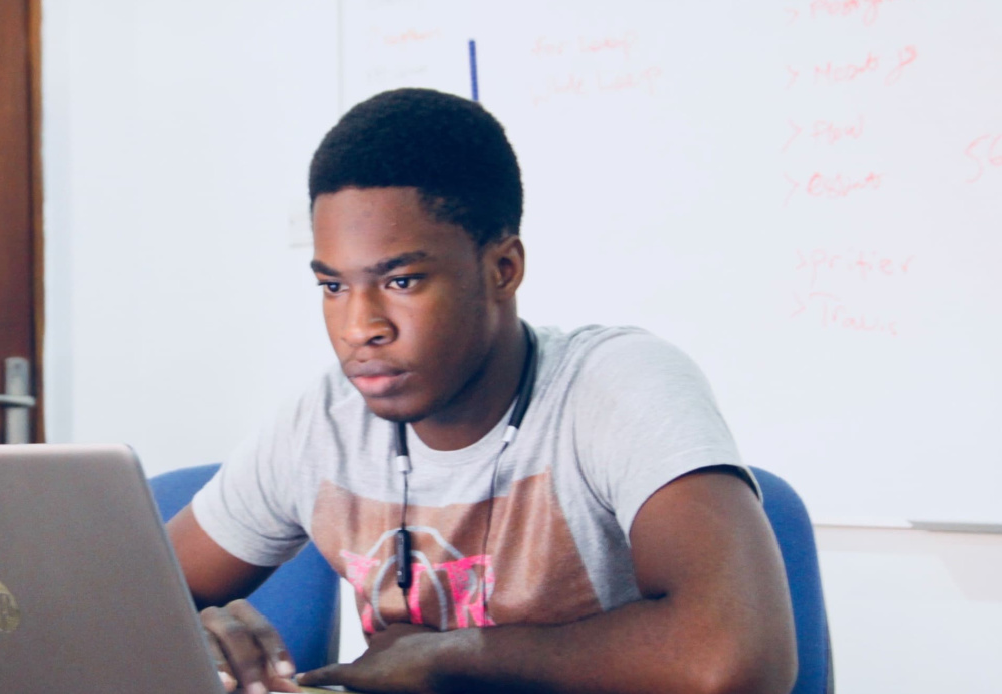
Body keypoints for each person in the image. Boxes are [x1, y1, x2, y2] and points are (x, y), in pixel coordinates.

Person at [166, 88, 797, 694]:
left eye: (403, 281)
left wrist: (450, 658)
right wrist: (194, 635)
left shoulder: (616, 385)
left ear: (503, 269)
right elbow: (118, 600)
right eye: (333, 287)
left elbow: (732, 660)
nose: (361, 328)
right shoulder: (322, 423)